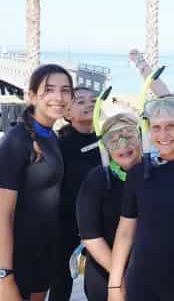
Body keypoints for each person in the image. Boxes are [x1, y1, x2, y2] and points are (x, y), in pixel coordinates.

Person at [108, 95, 174, 301]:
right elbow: (125, 233)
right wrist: (114, 286)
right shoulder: (137, 173)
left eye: (171, 126)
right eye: (156, 127)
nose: (163, 134)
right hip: (139, 284)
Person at [0, 64, 74, 301]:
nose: (58, 97)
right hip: (16, 257)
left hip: (43, 253)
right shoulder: (17, 140)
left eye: (65, 90)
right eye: (49, 89)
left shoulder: (51, 136)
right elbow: (3, 214)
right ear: (31, 96)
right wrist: (4, 274)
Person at [76, 113, 141, 301]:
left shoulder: (154, 175)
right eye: (112, 140)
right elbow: (90, 237)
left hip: (147, 274)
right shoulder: (96, 181)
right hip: (106, 273)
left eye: (129, 136)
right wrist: (119, 278)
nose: (122, 144)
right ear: (104, 147)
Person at [48, 87, 101, 301]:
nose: (89, 104)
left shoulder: (109, 142)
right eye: (80, 101)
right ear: (67, 113)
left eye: (94, 100)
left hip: (99, 224)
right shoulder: (60, 145)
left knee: (98, 284)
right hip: (66, 224)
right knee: (60, 285)